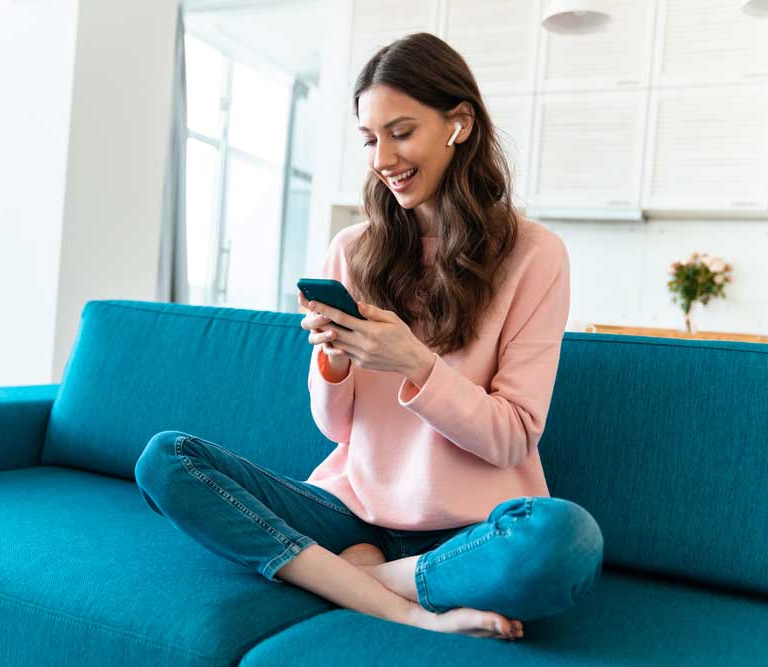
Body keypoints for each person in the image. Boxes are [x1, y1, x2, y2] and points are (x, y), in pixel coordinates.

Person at [135, 32, 603, 641]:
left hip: (465, 531)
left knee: (565, 540)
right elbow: (336, 430)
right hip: (350, 509)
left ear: (458, 125)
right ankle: (399, 605)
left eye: (401, 131)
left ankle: (349, 580)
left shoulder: (535, 255)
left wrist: (414, 362)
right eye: (370, 138)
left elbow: (512, 438)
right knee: (167, 459)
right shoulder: (352, 250)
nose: (382, 157)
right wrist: (334, 364)